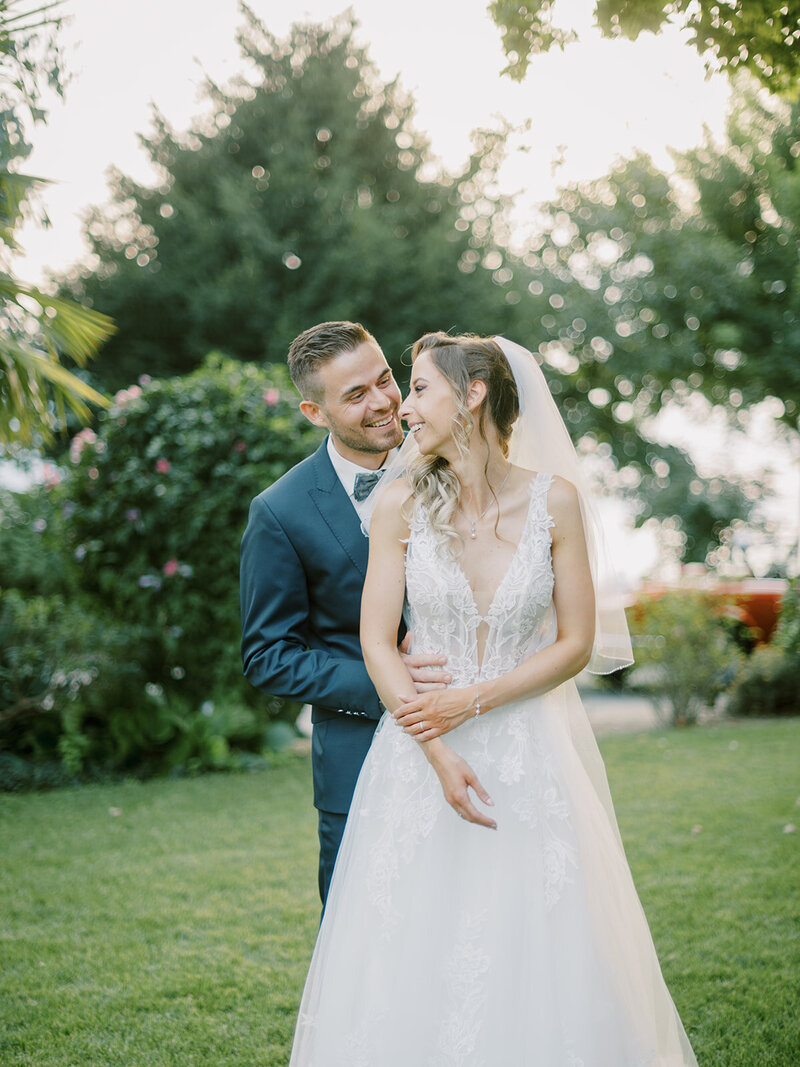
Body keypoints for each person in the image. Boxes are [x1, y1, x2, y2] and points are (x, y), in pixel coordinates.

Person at [288, 333, 698, 1065]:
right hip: (419, 759)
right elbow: (378, 642)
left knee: (537, 942)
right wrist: (438, 747)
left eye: (416, 388)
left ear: (472, 394)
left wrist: (471, 701)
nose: (402, 407)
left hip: (528, 754)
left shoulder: (556, 503)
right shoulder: (401, 502)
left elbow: (574, 643)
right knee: (412, 947)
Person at [240, 321, 449, 906]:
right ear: (314, 411)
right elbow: (266, 656)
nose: (384, 402)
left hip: (475, 730)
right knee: (363, 933)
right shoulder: (279, 513)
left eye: (385, 380)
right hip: (359, 755)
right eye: (355, 395)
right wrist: (386, 683)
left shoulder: (453, 466)